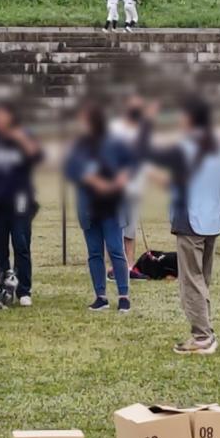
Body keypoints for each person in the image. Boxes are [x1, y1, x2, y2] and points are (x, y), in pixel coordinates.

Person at [143, 97, 220, 355]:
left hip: (190, 221)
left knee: (191, 281)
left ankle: (202, 337)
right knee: (202, 278)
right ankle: (205, 330)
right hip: (213, 220)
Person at [63, 101, 134, 313]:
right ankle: (100, 296)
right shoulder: (79, 145)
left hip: (112, 206)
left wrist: (121, 178)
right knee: (94, 252)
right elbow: (71, 169)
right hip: (89, 206)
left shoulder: (115, 142)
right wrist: (92, 181)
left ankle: (123, 295)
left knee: (115, 249)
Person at [0, 100, 42, 306]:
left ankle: (23, 289)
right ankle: (4, 287)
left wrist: (21, 138)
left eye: (4, 115)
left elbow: (37, 157)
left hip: (20, 201)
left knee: (21, 245)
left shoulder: (22, 136)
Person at [109, 95, 151, 268]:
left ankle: (130, 262)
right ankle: (114, 262)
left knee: (130, 227)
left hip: (134, 185)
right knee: (114, 225)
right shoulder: (115, 128)